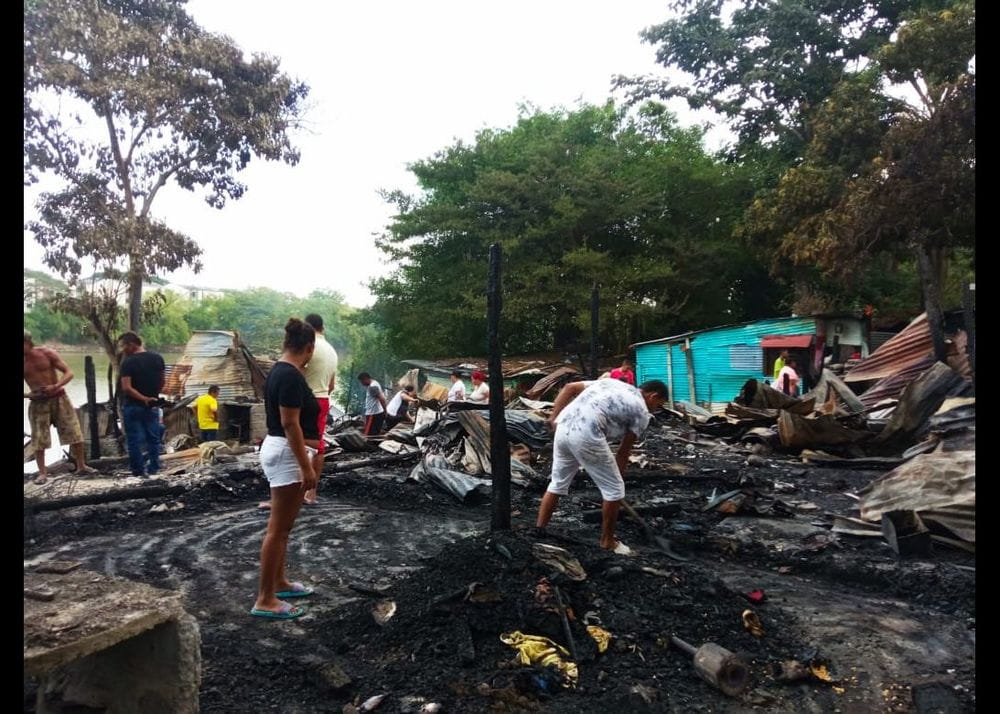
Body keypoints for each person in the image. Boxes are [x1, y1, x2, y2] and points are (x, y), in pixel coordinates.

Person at [536, 378, 668, 553]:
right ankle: (608, 541)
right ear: (653, 396)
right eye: (658, 405)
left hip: (564, 426)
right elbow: (623, 451)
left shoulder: (612, 383)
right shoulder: (642, 412)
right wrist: (616, 481)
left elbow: (569, 387)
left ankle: (539, 529)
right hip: (587, 433)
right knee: (614, 489)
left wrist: (553, 417)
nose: (656, 409)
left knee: (557, 483)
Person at [251, 318, 320, 620]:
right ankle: (265, 598)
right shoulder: (289, 376)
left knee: (283, 528)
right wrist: (307, 467)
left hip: (282, 449)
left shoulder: (279, 371)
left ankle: (279, 582)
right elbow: (290, 423)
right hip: (287, 453)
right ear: (308, 348)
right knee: (278, 530)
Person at [23, 330, 97, 484]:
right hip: (38, 402)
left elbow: (69, 372)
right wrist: (29, 395)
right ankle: (43, 474)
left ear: (28, 342)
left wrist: (56, 386)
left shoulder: (47, 353)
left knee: (74, 431)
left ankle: (81, 466)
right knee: (39, 439)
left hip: (59, 398)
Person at [302, 313, 339, 505]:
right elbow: (332, 386)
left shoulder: (307, 347)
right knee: (318, 446)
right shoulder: (332, 351)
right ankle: (312, 493)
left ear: (306, 327)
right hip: (323, 399)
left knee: (295, 443)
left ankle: (295, 492)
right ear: (322, 328)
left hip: (305, 400)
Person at [118, 331, 166, 478]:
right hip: (152, 405)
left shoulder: (128, 362)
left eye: (123, 346)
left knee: (134, 440)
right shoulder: (158, 358)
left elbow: (126, 387)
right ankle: (154, 468)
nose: (122, 350)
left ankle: (138, 472)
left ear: (131, 344)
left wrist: (143, 398)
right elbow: (163, 381)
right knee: (153, 438)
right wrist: (151, 396)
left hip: (133, 406)